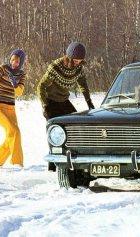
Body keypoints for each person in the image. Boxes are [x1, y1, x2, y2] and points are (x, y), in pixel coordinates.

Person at [37, 42, 95, 172]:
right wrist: (44, 106)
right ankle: (52, 167)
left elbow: (83, 84)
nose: (78, 63)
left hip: (63, 101)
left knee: (76, 126)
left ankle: (75, 162)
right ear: (68, 57)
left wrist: (89, 101)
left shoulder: (78, 68)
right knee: (56, 132)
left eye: (80, 61)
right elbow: (41, 87)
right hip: (51, 102)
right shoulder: (56, 67)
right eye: (75, 60)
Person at [0, 49, 27, 167]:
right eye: (12, 60)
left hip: (10, 108)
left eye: (17, 61)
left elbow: (19, 92)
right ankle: (17, 164)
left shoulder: (22, 74)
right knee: (14, 131)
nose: (14, 63)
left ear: (21, 62)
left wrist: (15, 84)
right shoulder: (2, 68)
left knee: (13, 137)